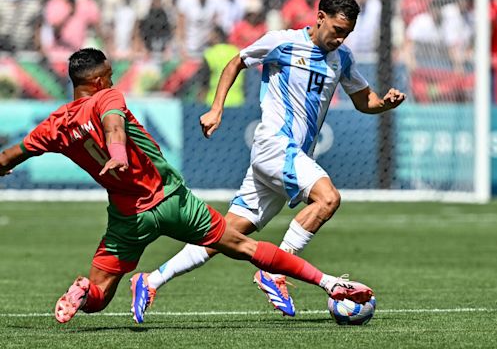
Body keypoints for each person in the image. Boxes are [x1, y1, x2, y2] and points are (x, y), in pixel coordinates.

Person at [0, 48, 373, 324]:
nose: (112, 82)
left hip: (127, 218)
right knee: (243, 245)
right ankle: (328, 283)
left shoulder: (54, 126)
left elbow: (9, 156)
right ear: (97, 82)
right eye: (110, 76)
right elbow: (113, 123)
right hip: (172, 200)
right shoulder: (107, 97)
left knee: (99, 297)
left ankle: (83, 292)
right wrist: (117, 151)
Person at [131, 0, 405, 322]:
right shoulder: (283, 42)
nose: (339, 39)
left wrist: (384, 104)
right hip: (275, 145)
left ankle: (150, 280)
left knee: (226, 235)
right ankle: (275, 271)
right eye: (336, 30)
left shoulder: (343, 58)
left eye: (345, 33)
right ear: (320, 18)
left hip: (288, 156)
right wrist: (216, 109)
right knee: (328, 198)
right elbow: (237, 61)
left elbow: (365, 101)